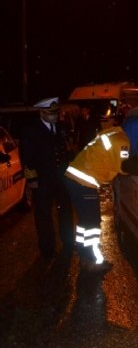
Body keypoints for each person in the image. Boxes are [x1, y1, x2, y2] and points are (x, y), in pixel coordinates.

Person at [63, 125, 130, 271]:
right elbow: (124, 167)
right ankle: (94, 260)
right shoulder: (123, 142)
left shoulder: (113, 134)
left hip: (74, 178)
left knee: (86, 221)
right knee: (92, 224)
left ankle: (84, 254)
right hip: (84, 182)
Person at [20, 97, 75, 259]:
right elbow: (26, 157)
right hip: (42, 180)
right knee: (43, 215)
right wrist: (32, 180)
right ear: (42, 113)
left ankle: (68, 242)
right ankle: (47, 248)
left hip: (62, 178)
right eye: (51, 114)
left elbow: (67, 151)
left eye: (56, 113)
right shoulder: (31, 130)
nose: (55, 116)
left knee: (65, 211)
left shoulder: (61, 127)